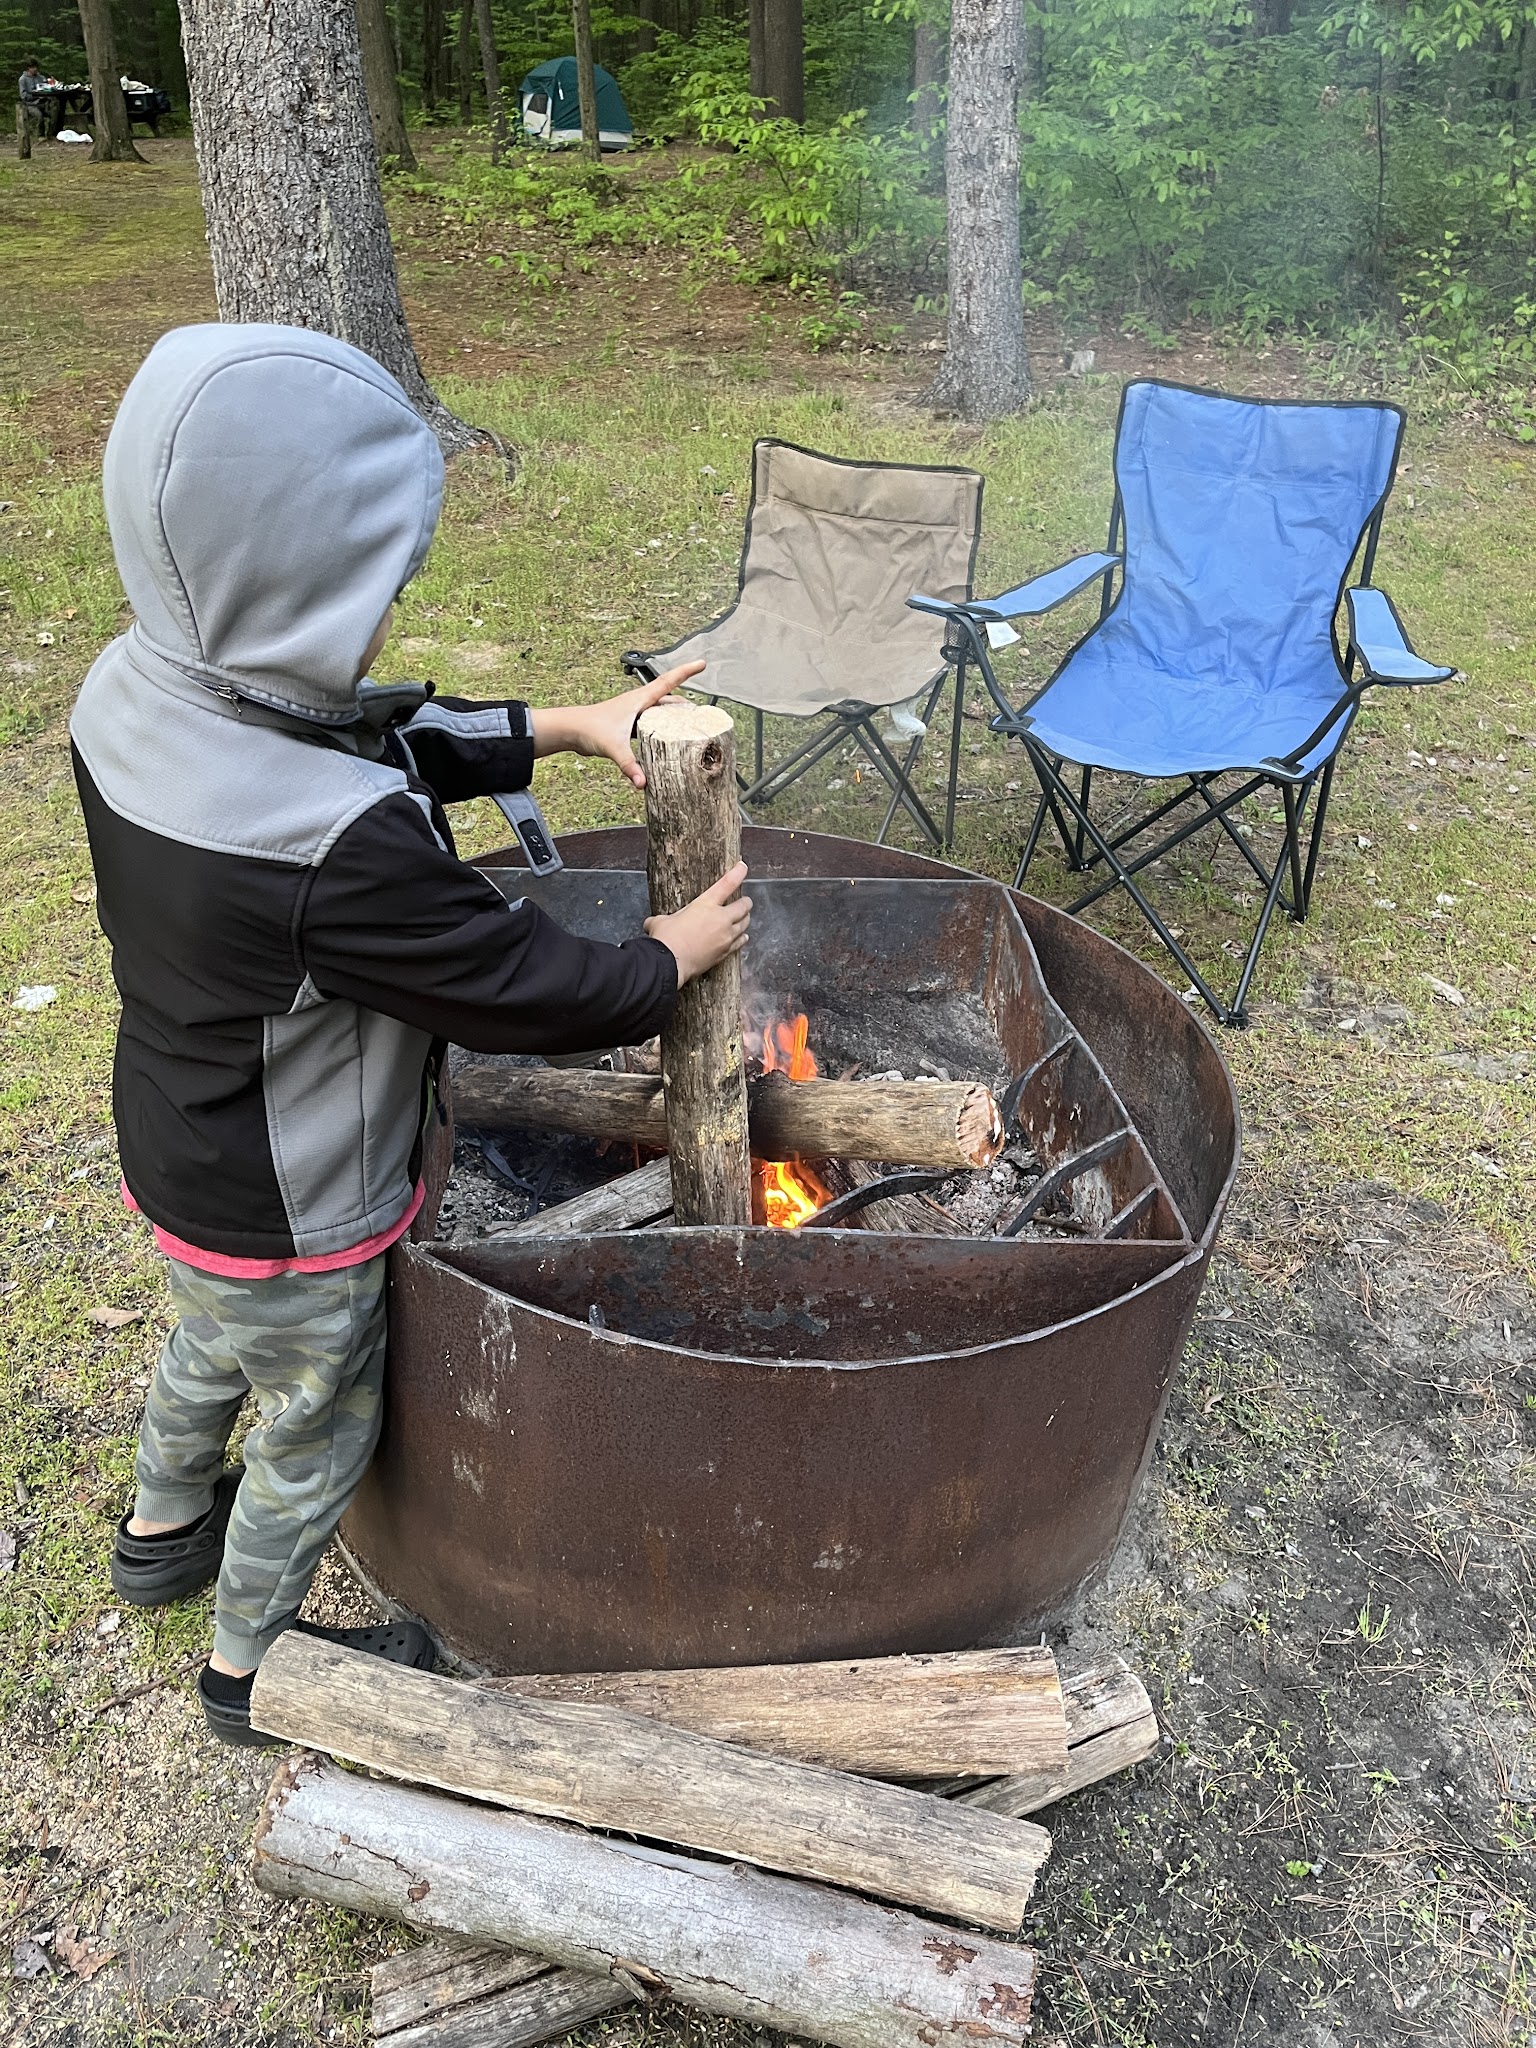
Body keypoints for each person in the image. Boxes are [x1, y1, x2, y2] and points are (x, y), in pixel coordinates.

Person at [69, 324, 750, 1744]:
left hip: (182, 1147)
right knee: (315, 1419)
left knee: (211, 1340)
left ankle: (159, 1530)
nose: (383, 618)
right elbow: (518, 985)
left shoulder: (140, 687)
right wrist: (665, 958)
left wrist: (564, 723)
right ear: (284, 586)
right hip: (295, 1202)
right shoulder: (335, 849)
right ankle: (252, 1672)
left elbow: (378, 732)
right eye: (370, 589)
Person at [16, 59, 45, 157]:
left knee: (55, 109)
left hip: (42, 101)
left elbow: (46, 86)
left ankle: (53, 132)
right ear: (28, 68)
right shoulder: (23, 79)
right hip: (30, 104)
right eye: (33, 67)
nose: (35, 69)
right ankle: (39, 135)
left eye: (36, 67)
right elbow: (23, 95)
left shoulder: (41, 78)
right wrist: (34, 96)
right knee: (38, 115)